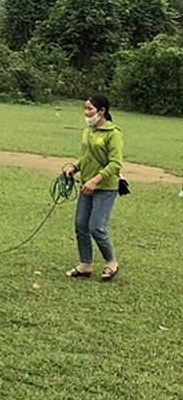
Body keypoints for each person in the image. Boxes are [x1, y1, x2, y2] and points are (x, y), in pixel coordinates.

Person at [62, 94, 123, 282]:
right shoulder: (88, 131)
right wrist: (74, 167)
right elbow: (86, 157)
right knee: (81, 225)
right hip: (86, 186)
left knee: (96, 227)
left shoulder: (113, 134)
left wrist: (96, 180)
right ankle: (85, 264)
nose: (86, 113)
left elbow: (115, 164)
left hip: (105, 188)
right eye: (85, 108)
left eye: (90, 109)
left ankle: (111, 262)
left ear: (102, 111)